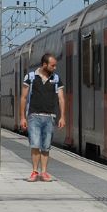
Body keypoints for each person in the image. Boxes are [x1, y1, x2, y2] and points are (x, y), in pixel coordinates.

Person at [19, 53, 65, 182]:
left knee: (46, 146)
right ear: (44, 65)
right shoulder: (31, 77)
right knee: (35, 144)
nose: (55, 68)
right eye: (52, 65)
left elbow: (61, 99)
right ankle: (34, 171)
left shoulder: (56, 79)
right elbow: (23, 97)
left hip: (50, 116)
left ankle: (44, 172)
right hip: (34, 116)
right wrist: (22, 117)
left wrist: (62, 117)